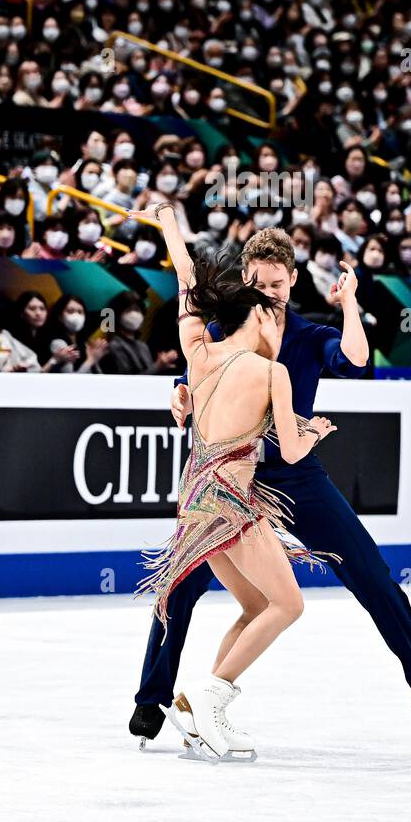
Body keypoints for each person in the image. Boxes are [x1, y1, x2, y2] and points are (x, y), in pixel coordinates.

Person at [130, 225, 411, 754]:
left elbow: (354, 361)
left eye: (278, 284)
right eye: (259, 283)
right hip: (232, 478)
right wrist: (180, 394)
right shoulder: (223, 330)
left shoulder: (307, 336)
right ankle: (154, 699)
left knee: (374, 580)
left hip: (294, 476)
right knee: (182, 584)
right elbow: (197, 368)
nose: (269, 293)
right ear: (245, 280)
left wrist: (350, 303)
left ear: (293, 280)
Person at [133, 200, 340, 759]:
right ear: (267, 319)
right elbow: (292, 454)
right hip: (234, 506)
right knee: (289, 605)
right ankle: (208, 693)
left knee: (254, 605)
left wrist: (169, 226)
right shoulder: (272, 371)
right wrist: (316, 430)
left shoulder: (197, 353)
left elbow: (185, 280)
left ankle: (200, 711)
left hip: (196, 503)